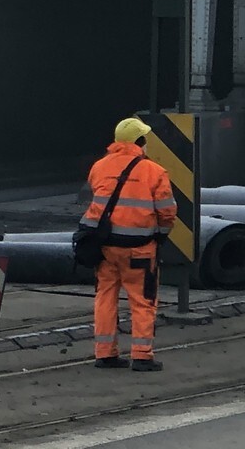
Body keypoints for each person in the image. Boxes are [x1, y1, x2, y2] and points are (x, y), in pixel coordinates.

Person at [80, 116, 177, 372]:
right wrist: (162, 235)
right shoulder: (154, 172)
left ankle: (105, 353)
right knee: (143, 301)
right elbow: (167, 213)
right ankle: (142, 355)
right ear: (140, 142)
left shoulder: (99, 167)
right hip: (140, 249)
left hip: (105, 248)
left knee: (105, 297)